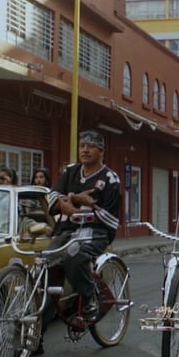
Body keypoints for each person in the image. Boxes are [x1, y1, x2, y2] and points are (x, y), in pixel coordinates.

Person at [47, 130, 121, 321]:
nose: (85, 150)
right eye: (82, 146)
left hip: (96, 233)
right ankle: (40, 325)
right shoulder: (70, 171)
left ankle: (90, 297)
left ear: (101, 151)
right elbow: (53, 197)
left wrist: (73, 207)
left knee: (74, 254)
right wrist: (74, 200)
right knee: (46, 263)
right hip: (66, 230)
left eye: (91, 146)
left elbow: (109, 217)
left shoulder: (110, 178)